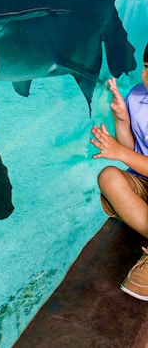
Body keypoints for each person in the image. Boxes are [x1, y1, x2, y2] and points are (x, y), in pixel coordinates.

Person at [91, 42, 148, 301]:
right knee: (109, 177)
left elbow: (124, 153)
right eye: (147, 66)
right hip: (144, 182)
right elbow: (131, 151)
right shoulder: (137, 97)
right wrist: (122, 120)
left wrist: (120, 152)